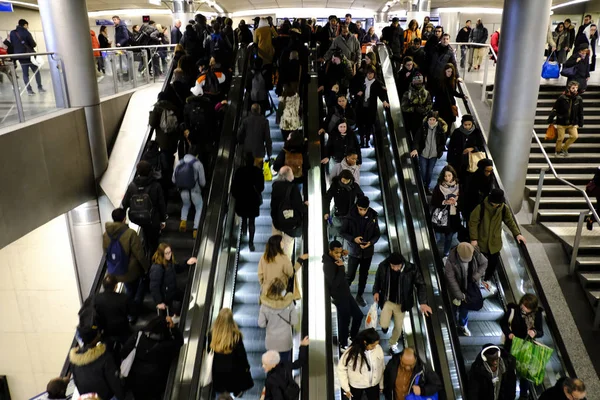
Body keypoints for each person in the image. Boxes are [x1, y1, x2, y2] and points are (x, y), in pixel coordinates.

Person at [372, 252, 432, 354]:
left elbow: (421, 284)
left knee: (398, 327)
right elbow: (377, 279)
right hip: (387, 301)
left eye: (398, 266)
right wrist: (376, 291)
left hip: (401, 304)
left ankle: (392, 343)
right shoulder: (383, 266)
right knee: (384, 323)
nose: (395, 268)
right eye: (393, 266)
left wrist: (423, 302)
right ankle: (384, 327)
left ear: (402, 263)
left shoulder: (411, 269)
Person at [469, 189, 526, 284]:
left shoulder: (504, 208)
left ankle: (486, 280)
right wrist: (474, 239)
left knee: (492, 264)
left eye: (498, 203)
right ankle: (475, 280)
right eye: (494, 203)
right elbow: (473, 223)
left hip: (495, 243)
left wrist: (517, 234)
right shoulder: (481, 208)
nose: (496, 205)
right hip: (481, 241)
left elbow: (510, 221)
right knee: (479, 263)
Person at [121, 316, 183, 400]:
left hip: (136, 379)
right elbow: (179, 342)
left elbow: (124, 350)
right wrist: (173, 328)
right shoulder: (163, 346)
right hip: (153, 381)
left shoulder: (139, 335)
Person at [102, 208, 149, 312]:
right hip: (130, 271)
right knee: (133, 290)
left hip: (114, 270)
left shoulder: (106, 234)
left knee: (128, 290)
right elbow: (139, 254)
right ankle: (132, 312)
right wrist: (146, 268)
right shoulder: (130, 233)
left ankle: (127, 310)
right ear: (124, 219)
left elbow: (106, 252)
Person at [500, 293, 544, 399]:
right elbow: (503, 323)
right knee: (510, 370)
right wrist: (509, 334)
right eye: (523, 305)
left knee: (525, 373)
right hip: (512, 345)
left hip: (527, 347)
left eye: (527, 307)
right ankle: (510, 394)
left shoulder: (537, 315)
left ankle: (524, 395)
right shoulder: (513, 310)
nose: (524, 308)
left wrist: (534, 332)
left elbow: (541, 331)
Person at [323, 240, 364, 350]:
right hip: (339, 296)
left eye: (340, 252)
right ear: (330, 251)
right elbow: (334, 284)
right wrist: (342, 268)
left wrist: (343, 256)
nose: (338, 255)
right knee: (344, 320)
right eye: (336, 253)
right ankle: (343, 343)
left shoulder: (335, 259)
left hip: (346, 293)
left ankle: (352, 337)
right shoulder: (328, 265)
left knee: (358, 316)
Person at [341, 196, 381, 307]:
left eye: (365, 209)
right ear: (357, 207)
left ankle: (359, 296)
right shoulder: (350, 216)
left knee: (364, 275)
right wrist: (353, 239)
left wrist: (370, 243)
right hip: (354, 251)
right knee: (350, 275)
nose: (362, 212)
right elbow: (343, 232)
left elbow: (377, 234)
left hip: (367, 252)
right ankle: (342, 295)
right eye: (360, 209)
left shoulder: (373, 216)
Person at [122, 160, 167, 256]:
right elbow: (161, 204)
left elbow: (125, 203)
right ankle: (153, 261)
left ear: (138, 171)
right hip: (153, 219)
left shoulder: (132, 186)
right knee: (154, 243)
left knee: (145, 236)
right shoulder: (156, 185)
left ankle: (146, 257)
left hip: (138, 219)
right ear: (150, 171)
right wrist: (163, 220)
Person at [69, 327, 125, 400]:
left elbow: (77, 382)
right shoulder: (104, 357)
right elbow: (115, 383)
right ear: (94, 339)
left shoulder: (74, 360)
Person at [445, 242, 488, 336]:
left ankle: (462, 325)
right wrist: (460, 295)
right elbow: (451, 280)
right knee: (453, 308)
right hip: (456, 290)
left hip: (470, 287)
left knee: (464, 309)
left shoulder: (476, 253)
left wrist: (476, 276)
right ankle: (451, 326)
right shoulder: (450, 261)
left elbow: (484, 263)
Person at [209, 308, 254, 397]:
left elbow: (209, 350)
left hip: (218, 372)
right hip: (233, 372)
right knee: (235, 383)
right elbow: (242, 356)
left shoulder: (212, 334)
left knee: (221, 393)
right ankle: (237, 392)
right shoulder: (236, 336)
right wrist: (246, 367)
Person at [149, 243, 197, 317]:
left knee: (185, 297)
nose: (169, 254)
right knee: (166, 315)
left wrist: (187, 263)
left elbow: (177, 268)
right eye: (166, 253)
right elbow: (154, 286)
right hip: (165, 295)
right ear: (162, 254)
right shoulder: (157, 268)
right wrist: (159, 302)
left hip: (172, 290)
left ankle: (177, 315)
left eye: (170, 252)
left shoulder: (169, 261)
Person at [270, 166, 308, 257]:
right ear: (288, 175)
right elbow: (298, 205)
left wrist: (275, 221)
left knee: (276, 245)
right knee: (287, 247)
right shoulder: (293, 188)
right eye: (291, 173)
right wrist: (305, 207)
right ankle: (285, 267)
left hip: (277, 221)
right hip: (290, 223)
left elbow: (273, 205)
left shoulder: (275, 186)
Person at [258, 277, 298, 362]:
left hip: (271, 343)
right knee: (284, 367)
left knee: (272, 367)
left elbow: (261, 324)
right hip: (285, 342)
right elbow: (295, 321)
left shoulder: (264, 306)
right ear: (283, 291)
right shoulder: (289, 303)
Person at [338, 328, 384, 400]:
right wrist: (346, 388)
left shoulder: (378, 349)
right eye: (372, 345)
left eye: (376, 344)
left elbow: (381, 367)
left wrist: (381, 384)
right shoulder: (351, 353)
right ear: (365, 342)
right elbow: (341, 369)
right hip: (356, 385)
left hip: (373, 384)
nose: (375, 347)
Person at [258, 234, 308, 300]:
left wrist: (264, 285)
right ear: (278, 244)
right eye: (282, 241)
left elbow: (260, 275)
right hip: (280, 292)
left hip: (266, 292)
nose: (283, 243)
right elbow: (291, 273)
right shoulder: (283, 258)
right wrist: (300, 260)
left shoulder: (264, 257)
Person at [232, 153, 264, 251]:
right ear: (253, 161)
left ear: (245, 161)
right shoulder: (258, 172)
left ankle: (244, 231)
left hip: (242, 199)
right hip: (253, 200)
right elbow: (261, 188)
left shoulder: (239, 171)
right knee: (252, 221)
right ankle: (251, 243)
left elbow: (234, 187)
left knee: (244, 216)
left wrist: (236, 196)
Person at [410, 111, 448, 191]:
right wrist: (415, 149)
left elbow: (443, 142)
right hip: (423, 154)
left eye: (433, 119)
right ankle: (422, 185)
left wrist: (439, 150)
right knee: (423, 171)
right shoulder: (423, 128)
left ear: (436, 120)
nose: (431, 121)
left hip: (433, 155)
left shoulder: (440, 130)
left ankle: (427, 187)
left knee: (430, 172)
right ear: (427, 120)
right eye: (430, 119)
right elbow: (417, 140)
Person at [352, 65, 390, 147]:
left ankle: (367, 141)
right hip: (361, 107)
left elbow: (381, 93)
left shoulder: (376, 83)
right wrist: (357, 93)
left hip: (371, 108)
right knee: (360, 124)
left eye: (372, 73)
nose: (370, 75)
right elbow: (353, 88)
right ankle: (362, 141)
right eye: (368, 73)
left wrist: (384, 101)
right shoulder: (362, 81)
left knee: (369, 125)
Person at [173, 148, 206, 239]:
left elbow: (173, 179)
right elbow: (203, 182)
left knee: (186, 205)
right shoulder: (198, 164)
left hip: (183, 190)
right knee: (199, 207)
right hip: (195, 190)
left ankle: (183, 221)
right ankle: (195, 229)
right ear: (196, 155)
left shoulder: (179, 163)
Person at [324, 169, 364, 241]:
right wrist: (326, 211)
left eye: (347, 180)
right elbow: (327, 198)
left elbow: (361, 197)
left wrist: (359, 208)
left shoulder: (354, 186)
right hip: (338, 213)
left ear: (350, 179)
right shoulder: (335, 185)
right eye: (343, 180)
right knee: (337, 229)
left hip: (350, 213)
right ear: (340, 178)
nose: (345, 182)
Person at [547, 81, 584, 157]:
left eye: (576, 88)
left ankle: (564, 148)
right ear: (569, 88)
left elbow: (580, 112)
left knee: (575, 136)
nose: (575, 89)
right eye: (573, 88)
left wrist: (580, 122)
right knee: (560, 138)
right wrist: (550, 119)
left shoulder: (578, 99)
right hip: (561, 122)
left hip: (572, 123)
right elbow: (555, 109)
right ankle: (557, 151)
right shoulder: (562, 98)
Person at [94, 275, 133, 346]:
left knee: (109, 351)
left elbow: (96, 316)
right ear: (116, 286)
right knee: (128, 347)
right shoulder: (123, 298)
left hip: (106, 332)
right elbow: (132, 312)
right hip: (123, 330)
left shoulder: (96, 299)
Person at [9, 19, 46, 95]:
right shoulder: (26, 32)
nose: (27, 27)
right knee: (36, 72)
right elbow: (33, 44)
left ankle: (29, 91)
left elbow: (12, 44)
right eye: (27, 25)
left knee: (25, 74)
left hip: (20, 57)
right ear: (25, 25)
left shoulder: (13, 33)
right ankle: (40, 88)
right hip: (30, 56)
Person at [446, 114, 485, 185]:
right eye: (465, 124)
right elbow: (451, 147)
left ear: (472, 124)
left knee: (467, 181)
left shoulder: (476, 133)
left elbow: (481, 146)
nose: (467, 126)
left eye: (469, 124)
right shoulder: (457, 132)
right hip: (457, 160)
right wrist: (449, 160)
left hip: (470, 162)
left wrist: (473, 148)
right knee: (456, 179)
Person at [431, 166, 461, 255]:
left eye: (449, 175)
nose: (447, 178)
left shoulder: (459, 187)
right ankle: (432, 253)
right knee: (437, 237)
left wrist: (455, 203)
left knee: (449, 237)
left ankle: (446, 253)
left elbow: (462, 202)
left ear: (453, 176)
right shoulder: (438, 187)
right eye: (445, 176)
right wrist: (444, 202)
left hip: (453, 217)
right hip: (441, 215)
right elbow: (433, 201)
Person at [401, 73, 433, 140]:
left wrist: (424, 110)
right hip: (412, 120)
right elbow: (404, 107)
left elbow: (430, 104)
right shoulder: (408, 94)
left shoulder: (426, 93)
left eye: (420, 82)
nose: (419, 84)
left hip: (424, 120)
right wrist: (414, 109)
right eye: (417, 82)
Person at [434, 63, 466, 128]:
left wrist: (462, 96)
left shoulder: (452, 80)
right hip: (442, 106)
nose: (450, 73)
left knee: (449, 124)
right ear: (445, 71)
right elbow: (437, 95)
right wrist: (436, 108)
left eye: (451, 72)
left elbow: (453, 92)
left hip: (450, 105)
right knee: (442, 124)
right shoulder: (440, 81)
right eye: (448, 71)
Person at [463, 158, 494, 224]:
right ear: (482, 169)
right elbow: (468, 196)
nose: (489, 173)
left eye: (490, 171)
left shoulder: (490, 178)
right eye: (486, 170)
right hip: (473, 208)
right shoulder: (472, 179)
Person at [254, 18, 276, 87]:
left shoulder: (257, 31)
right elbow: (276, 36)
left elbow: (255, 42)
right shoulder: (269, 29)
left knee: (262, 69)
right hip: (270, 52)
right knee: (269, 68)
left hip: (261, 52)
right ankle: (269, 83)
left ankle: (262, 84)